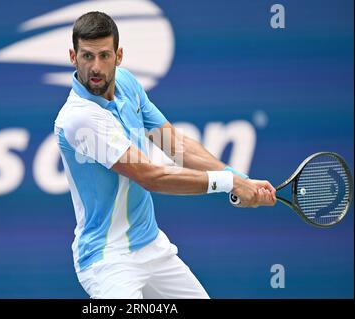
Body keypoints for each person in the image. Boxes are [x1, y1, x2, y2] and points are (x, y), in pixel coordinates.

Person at [54, 11, 276, 299]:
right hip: (108, 261)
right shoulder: (79, 118)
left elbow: (173, 144)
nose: (96, 67)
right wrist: (228, 183)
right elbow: (151, 176)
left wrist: (240, 178)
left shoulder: (127, 84)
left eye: (104, 56)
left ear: (119, 56)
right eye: (87, 56)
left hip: (152, 247)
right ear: (73, 56)